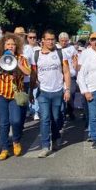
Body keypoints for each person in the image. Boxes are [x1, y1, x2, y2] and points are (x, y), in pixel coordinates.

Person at [30, 29, 72, 158]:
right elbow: (33, 74)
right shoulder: (36, 55)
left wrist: (67, 89)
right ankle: (45, 146)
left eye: (52, 39)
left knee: (56, 118)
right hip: (43, 93)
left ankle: (55, 139)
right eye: (47, 39)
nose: (50, 41)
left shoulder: (60, 54)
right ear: (42, 40)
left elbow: (66, 72)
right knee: (45, 119)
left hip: (58, 91)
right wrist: (31, 92)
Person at [0, 33, 31, 160]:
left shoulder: (21, 58)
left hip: (15, 95)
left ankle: (16, 141)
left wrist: (16, 62)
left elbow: (28, 72)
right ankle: (4, 148)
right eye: (8, 44)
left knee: (16, 120)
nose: (11, 46)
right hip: (1, 94)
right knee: (3, 123)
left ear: (16, 46)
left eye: (13, 44)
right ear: (3, 46)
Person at [59, 32, 79, 121]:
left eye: (65, 41)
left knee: (71, 93)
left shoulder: (72, 49)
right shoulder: (56, 48)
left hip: (71, 75)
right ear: (59, 40)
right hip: (60, 76)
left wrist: (76, 68)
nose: (64, 42)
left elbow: (75, 60)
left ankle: (70, 110)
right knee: (61, 95)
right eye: (62, 41)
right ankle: (62, 113)